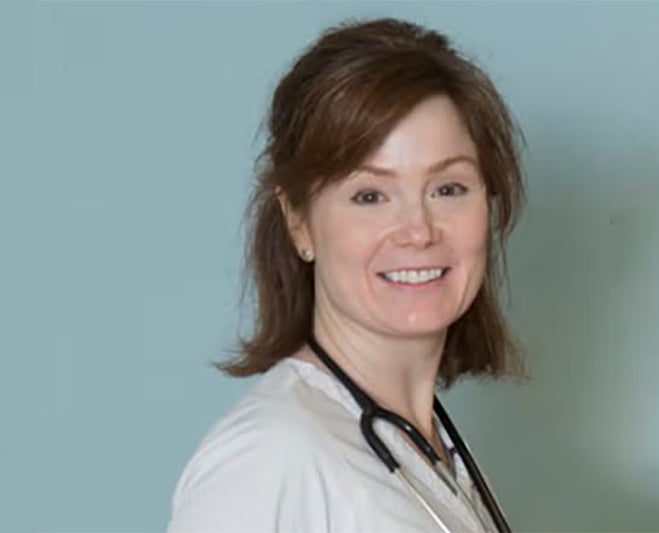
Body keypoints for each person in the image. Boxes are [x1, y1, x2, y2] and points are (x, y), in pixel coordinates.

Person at [167, 17, 526, 533]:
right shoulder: (271, 456)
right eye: (370, 196)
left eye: (448, 188)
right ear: (298, 222)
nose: (418, 230)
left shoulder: (433, 454)